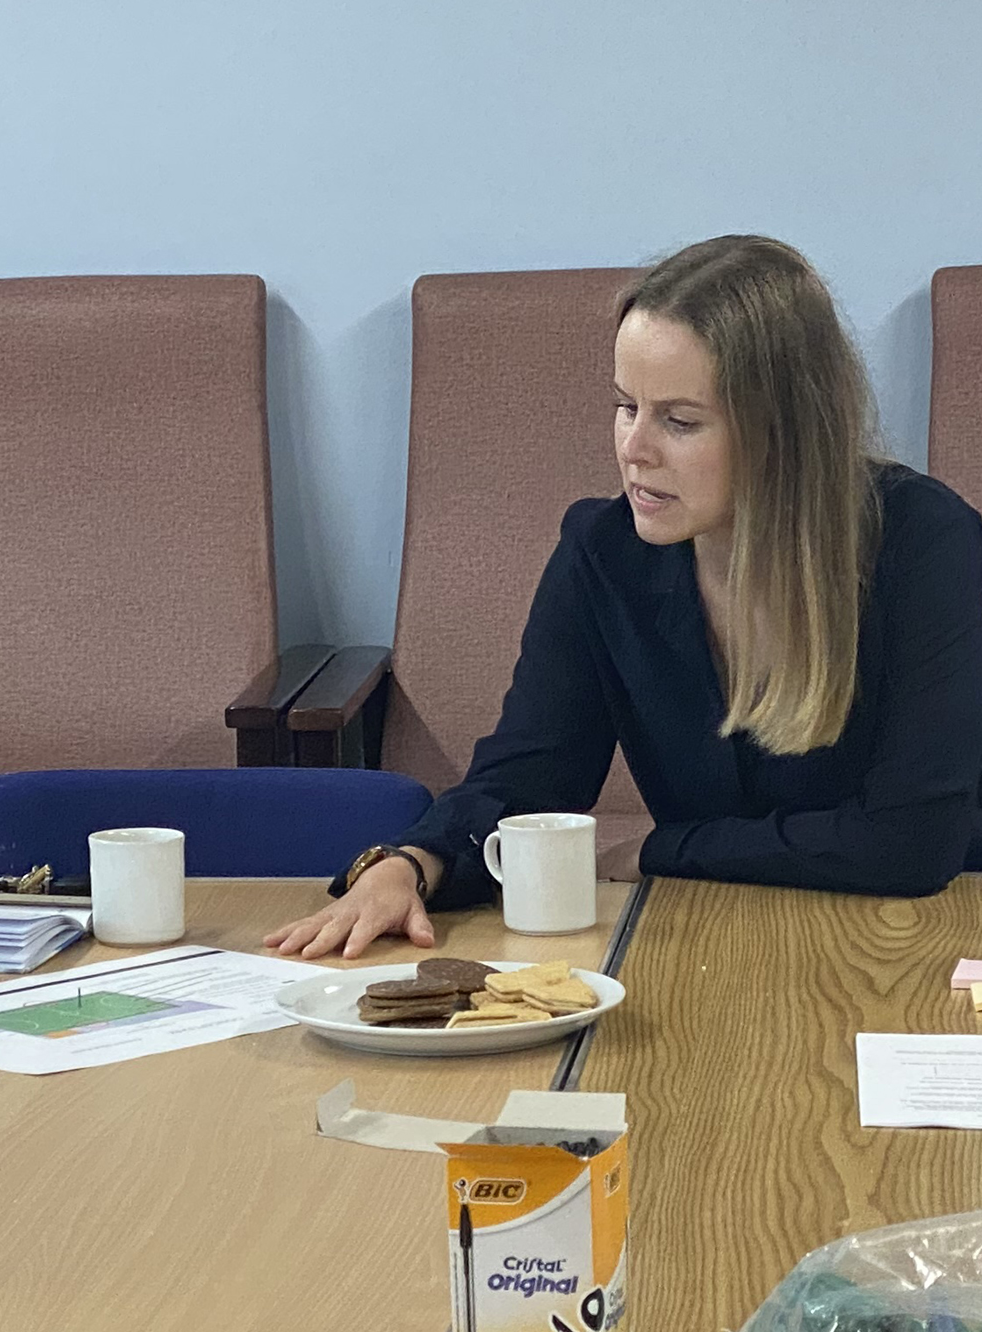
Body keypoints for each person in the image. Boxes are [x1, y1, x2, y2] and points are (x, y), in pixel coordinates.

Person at [269, 234, 982, 962]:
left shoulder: (927, 545)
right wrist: (411, 864)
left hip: (927, 949)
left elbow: (908, 846)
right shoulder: (601, 553)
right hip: (705, 939)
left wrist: (660, 848)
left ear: (783, 433)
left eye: (679, 420)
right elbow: (527, 777)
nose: (634, 448)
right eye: (624, 405)